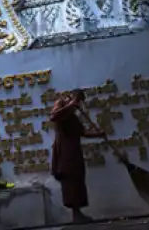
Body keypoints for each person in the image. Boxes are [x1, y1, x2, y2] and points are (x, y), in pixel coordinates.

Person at [50, 89, 105, 224]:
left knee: (78, 181)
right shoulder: (61, 105)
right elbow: (54, 116)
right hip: (65, 154)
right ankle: (76, 215)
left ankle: (78, 213)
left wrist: (99, 134)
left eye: (80, 101)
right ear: (71, 97)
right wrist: (72, 104)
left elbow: (82, 132)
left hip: (75, 153)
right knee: (71, 182)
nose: (78, 103)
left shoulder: (73, 116)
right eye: (77, 99)